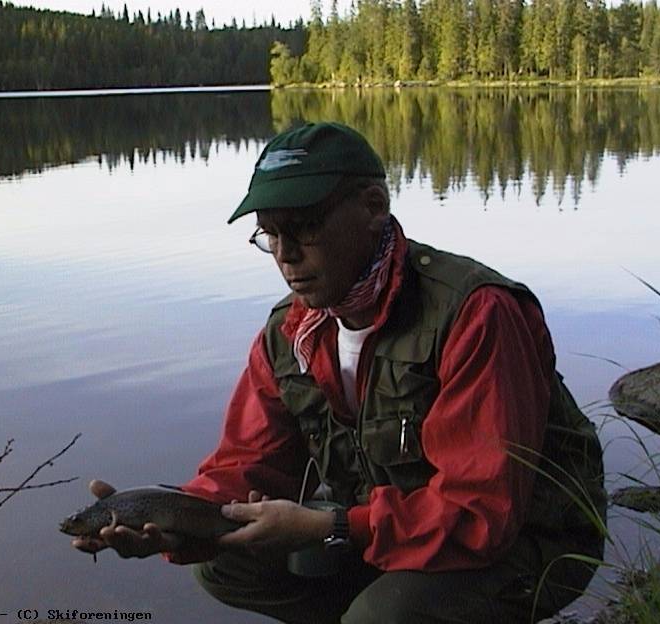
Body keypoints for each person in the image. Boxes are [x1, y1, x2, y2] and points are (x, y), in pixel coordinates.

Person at [73, 122, 607, 623]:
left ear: (373, 207)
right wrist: (173, 526)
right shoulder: (289, 334)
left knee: (383, 616)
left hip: (528, 542)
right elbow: (246, 467)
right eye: (269, 234)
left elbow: (481, 511)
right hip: (388, 529)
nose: (286, 255)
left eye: (303, 228)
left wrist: (332, 527)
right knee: (223, 564)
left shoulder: (474, 313)